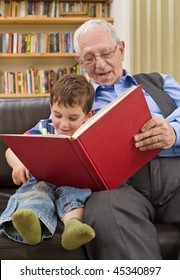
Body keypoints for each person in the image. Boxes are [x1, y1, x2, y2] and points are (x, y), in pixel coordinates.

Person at [72, 19, 180, 259]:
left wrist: (173, 132)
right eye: (89, 58)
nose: (99, 65)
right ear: (80, 62)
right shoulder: (74, 100)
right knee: (105, 210)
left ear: (120, 49)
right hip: (121, 188)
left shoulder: (160, 82)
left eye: (106, 53)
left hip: (176, 174)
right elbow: (50, 137)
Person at [0, 74, 95, 250]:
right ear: (51, 107)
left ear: (88, 115)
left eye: (73, 118)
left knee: (75, 197)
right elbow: (12, 149)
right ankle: (33, 225)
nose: (64, 124)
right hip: (41, 182)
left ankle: (73, 227)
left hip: (74, 184)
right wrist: (18, 164)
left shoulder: (89, 135)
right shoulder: (45, 127)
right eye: (58, 115)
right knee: (36, 195)